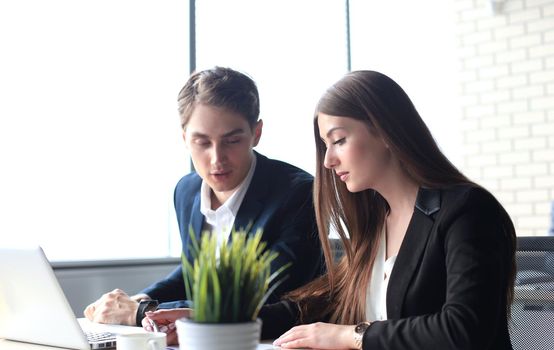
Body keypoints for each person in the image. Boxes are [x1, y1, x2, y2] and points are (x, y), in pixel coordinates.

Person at [144, 70, 517, 349]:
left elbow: (464, 328)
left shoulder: (465, 211)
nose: (328, 161)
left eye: (338, 140)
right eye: (325, 145)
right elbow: (312, 306)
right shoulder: (375, 225)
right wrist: (210, 319)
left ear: (385, 132)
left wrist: (348, 335)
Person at [83, 67, 323, 327]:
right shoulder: (186, 191)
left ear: (256, 133)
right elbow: (193, 273)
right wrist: (141, 298)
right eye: (202, 142)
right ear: (185, 138)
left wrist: (142, 312)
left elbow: (255, 299)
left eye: (231, 141)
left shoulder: (299, 194)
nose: (217, 159)